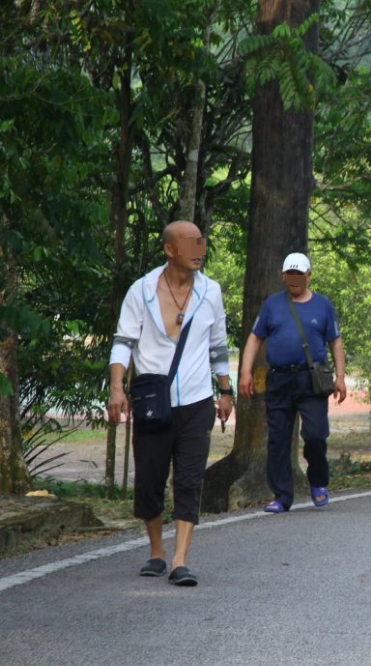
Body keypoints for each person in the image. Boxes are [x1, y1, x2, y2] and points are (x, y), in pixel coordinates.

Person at [107, 220, 233, 587]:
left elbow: (218, 345)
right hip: (152, 401)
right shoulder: (142, 290)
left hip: (196, 401)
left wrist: (225, 391)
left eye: (200, 243)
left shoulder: (211, 291)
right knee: (149, 479)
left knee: (190, 479)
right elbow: (123, 341)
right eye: (190, 244)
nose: (198, 251)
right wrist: (117, 388)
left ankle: (179, 560)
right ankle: (156, 551)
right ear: (169, 250)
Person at [238, 252, 347, 514]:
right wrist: (245, 372)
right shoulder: (272, 305)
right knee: (278, 439)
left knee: (316, 434)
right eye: (290, 275)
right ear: (283, 276)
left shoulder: (323, 305)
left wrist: (341, 377)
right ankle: (282, 496)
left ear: (309, 275)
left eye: (299, 275)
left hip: (311, 379)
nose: (294, 279)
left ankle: (318, 481)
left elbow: (335, 341)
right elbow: (255, 338)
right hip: (279, 379)